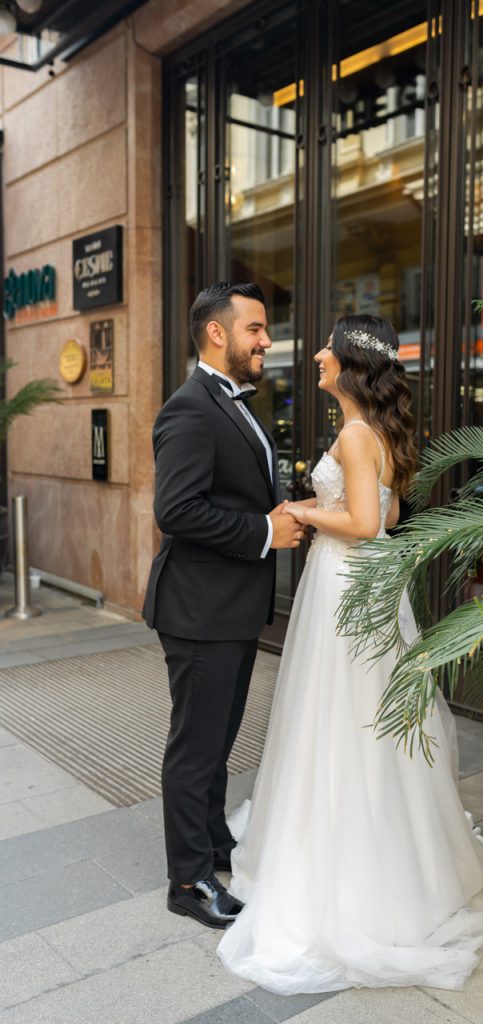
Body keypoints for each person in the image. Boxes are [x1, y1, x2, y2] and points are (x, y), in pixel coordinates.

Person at [216, 314, 483, 993]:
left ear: (349, 365)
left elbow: (359, 522)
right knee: (365, 715)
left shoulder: (355, 434)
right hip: (373, 583)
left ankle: (341, 858)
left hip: (346, 583)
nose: (316, 353)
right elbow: (386, 517)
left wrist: (300, 512)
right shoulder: (379, 433)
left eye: (327, 346)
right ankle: (396, 854)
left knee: (340, 714)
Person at [142, 282, 303, 929]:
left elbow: (234, 492)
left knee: (217, 741)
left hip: (229, 609)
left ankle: (211, 845)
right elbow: (175, 510)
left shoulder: (230, 403)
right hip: (199, 612)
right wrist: (265, 532)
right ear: (217, 332)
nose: (267, 341)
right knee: (196, 748)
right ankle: (188, 880)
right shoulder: (189, 409)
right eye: (256, 329)